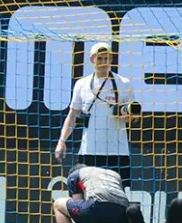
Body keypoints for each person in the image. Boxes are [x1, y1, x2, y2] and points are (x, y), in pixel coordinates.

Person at [54, 42, 138, 189]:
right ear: (92, 59)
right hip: (89, 151)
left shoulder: (124, 83)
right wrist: (62, 141)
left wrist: (127, 116)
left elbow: (134, 117)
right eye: (100, 59)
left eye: (107, 58)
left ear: (112, 59)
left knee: (118, 196)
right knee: (87, 195)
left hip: (117, 152)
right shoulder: (82, 84)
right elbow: (72, 115)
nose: (104, 62)